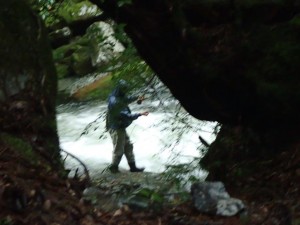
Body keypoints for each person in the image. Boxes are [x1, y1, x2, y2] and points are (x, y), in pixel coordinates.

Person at [106, 79, 149, 173]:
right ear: (120, 89)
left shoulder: (118, 95)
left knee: (128, 146)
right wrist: (140, 114)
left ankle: (133, 167)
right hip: (116, 128)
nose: (125, 91)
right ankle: (113, 168)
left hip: (120, 127)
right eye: (124, 89)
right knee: (119, 149)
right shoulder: (114, 102)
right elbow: (127, 116)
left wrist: (137, 97)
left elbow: (127, 99)